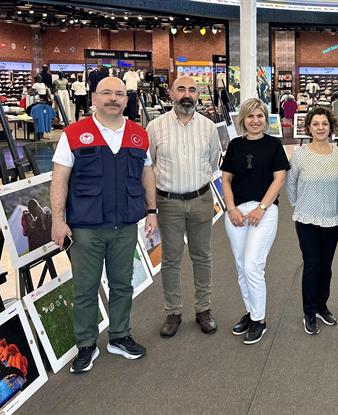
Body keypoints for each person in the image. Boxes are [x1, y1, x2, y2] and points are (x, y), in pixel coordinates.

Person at [50, 77, 157, 374]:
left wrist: (152, 211)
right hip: (86, 228)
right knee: (85, 288)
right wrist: (58, 219)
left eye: (119, 94)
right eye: (106, 93)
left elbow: (147, 174)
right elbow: (59, 179)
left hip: (125, 226)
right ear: (94, 98)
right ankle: (86, 343)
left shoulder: (139, 135)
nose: (113, 98)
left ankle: (120, 336)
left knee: (123, 284)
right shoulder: (73, 134)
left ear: (127, 99)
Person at [148, 76, 221, 338]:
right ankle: (173, 312)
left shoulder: (208, 127)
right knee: (170, 259)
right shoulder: (155, 127)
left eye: (192, 90)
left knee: (203, 256)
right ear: (171, 94)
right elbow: (149, 166)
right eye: (181, 89)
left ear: (198, 95)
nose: (187, 94)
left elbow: (213, 161)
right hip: (167, 203)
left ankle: (203, 309)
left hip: (201, 200)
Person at [221, 98, 290, 345]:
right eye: (250, 116)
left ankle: (259, 319)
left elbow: (279, 179)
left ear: (265, 119)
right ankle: (251, 313)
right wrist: (231, 209)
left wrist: (261, 208)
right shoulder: (235, 145)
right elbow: (226, 179)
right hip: (237, 212)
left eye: (260, 115)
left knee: (252, 264)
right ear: (243, 119)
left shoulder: (273, 144)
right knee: (241, 266)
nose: (255, 120)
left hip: (265, 210)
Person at [286, 107, 338, 335]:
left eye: (324, 123)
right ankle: (310, 311)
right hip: (306, 218)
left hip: (332, 218)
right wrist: (299, 205)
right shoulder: (300, 154)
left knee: (326, 265)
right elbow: (290, 184)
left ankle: (322, 305)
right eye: (315, 124)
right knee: (312, 264)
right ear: (308, 128)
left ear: (330, 127)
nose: (320, 128)